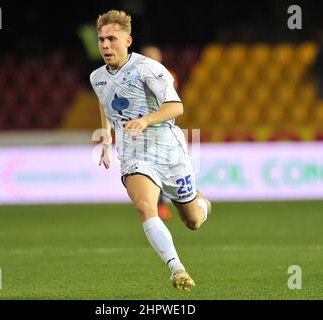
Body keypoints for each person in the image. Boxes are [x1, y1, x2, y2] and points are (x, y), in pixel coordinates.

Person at [90, 10, 211, 292]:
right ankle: (177, 269)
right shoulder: (97, 77)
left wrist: (145, 120)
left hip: (168, 151)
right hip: (134, 153)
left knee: (192, 221)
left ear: (128, 40)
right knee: (145, 207)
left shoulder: (149, 68)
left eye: (112, 39)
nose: (105, 45)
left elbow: (176, 107)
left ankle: (202, 203)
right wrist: (107, 141)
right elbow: (105, 102)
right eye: (101, 40)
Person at [140, 45, 178, 221]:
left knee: (164, 167)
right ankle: (158, 205)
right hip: (143, 130)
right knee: (149, 167)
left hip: (162, 129)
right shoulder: (135, 74)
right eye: (148, 56)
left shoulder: (167, 75)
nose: (151, 60)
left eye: (154, 56)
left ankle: (186, 200)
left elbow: (171, 101)